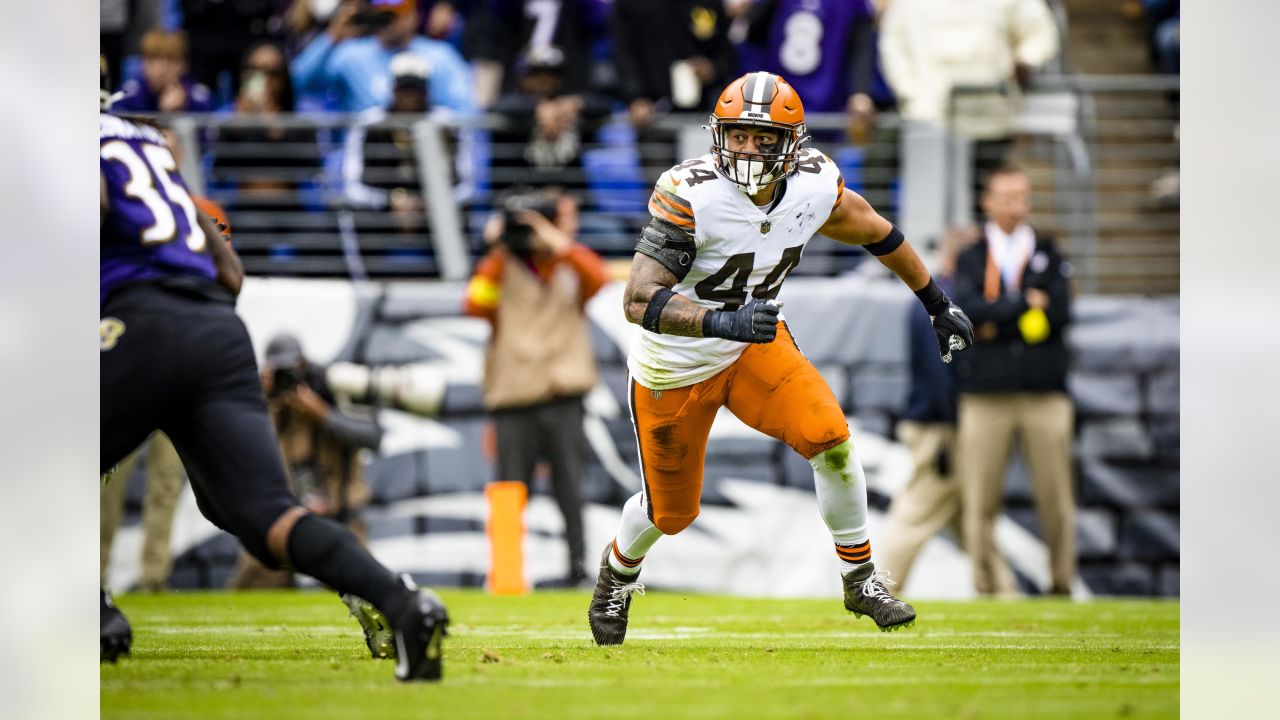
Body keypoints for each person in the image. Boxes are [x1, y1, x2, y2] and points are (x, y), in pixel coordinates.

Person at [587, 71, 975, 645]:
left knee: (831, 440)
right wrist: (722, 320)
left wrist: (936, 301)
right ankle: (618, 574)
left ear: (793, 143)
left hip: (752, 349)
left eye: (762, 138)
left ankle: (860, 577)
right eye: (738, 135)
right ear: (718, 134)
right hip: (675, 366)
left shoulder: (814, 186)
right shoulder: (691, 193)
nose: (747, 148)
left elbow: (877, 231)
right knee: (672, 514)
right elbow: (638, 299)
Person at [99, 71, 447, 679]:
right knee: (260, 515)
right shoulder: (145, 143)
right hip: (214, 328)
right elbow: (230, 276)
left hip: (137, 321)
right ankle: (400, 601)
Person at [463, 187, 610, 587]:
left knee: (570, 490)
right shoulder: (502, 265)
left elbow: (599, 277)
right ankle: (508, 574)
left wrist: (556, 242)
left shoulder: (570, 263)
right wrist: (499, 249)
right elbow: (474, 303)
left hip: (565, 393)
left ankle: (578, 573)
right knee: (510, 490)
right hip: (515, 395)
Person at [950, 167, 1075, 597]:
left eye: (1022, 196)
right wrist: (1023, 304)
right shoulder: (971, 255)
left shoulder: (1047, 250)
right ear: (987, 201)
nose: (1015, 205)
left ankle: (1061, 583)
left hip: (1044, 393)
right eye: (1006, 196)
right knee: (980, 496)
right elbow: (967, 313)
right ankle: (986, 586)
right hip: (986, 394)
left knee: (1056, 496)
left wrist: (996, 316)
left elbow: (1060, 313)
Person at [879, 228, 1017, 595]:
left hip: (939, 421)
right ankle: (879, 591)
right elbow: (941, 367)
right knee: (917, 515)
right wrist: (954, 427)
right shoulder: (942, 298)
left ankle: (1003, 593)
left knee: (973, 517)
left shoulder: (939, 293)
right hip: (941, 427)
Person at [226, 333, 385, 592]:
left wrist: (321, 412)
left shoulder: (331, 389)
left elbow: (373, 436)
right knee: (252, 589)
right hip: (281, 521)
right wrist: (260, 400)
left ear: (303, 365)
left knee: (368, 590)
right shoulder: (264, 404)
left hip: (341, 518)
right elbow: (235, 444)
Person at [878, 0, 1059, 183]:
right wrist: (908, 91)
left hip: (989, 117)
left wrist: (1025, 60)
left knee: (980, 187)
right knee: (883, 163)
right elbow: (893, 43)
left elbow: (1040, 32)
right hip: (925, 115)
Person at [292, 0, 474, 114]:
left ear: (414, 16)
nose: (388, 21)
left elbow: (466, 111)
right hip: (367, 159)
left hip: (425, 155)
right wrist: (331, 36)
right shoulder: (351, 54)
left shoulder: (441, 55)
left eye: (394, 14)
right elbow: (297, 83)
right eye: (382, 14)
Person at [100, 432, 186, 592]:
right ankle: (96, 572)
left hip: (167, 409)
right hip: (125, 408)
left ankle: (154, 580)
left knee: (166, 487)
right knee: (109, 487)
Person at [113, 29, 216, 114]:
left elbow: (208, 136)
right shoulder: (127, 96)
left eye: (169, 61)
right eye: (150, 60)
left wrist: (177, 114)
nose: (158, 70)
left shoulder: (199, 98)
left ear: (184, 65)